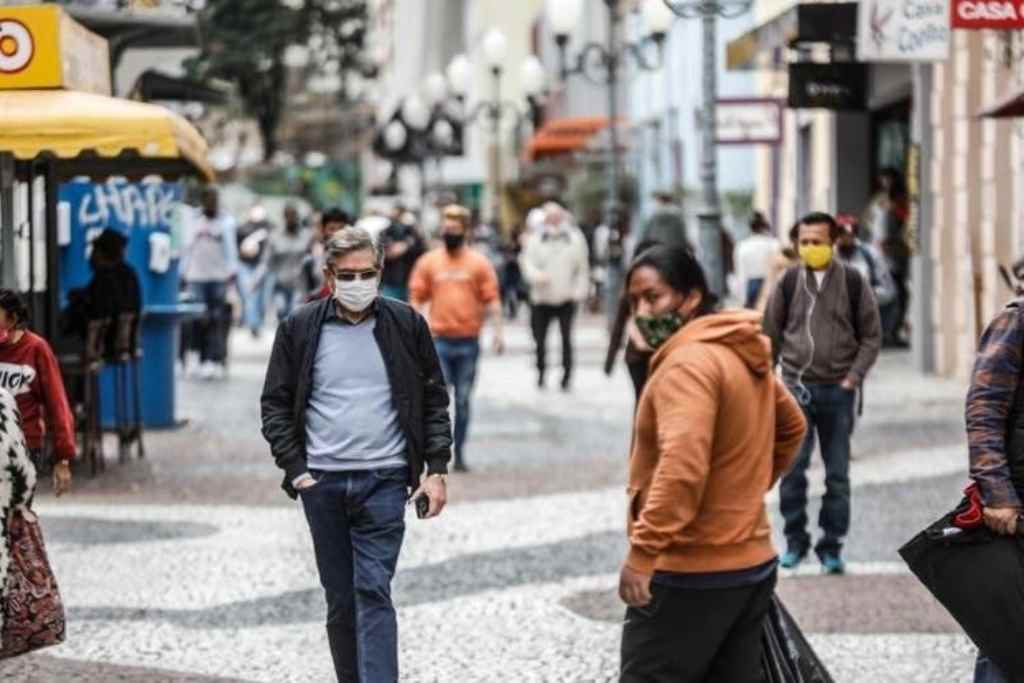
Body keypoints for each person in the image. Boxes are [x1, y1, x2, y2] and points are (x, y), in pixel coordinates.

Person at [260, 227, 452, 682]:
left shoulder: (406, 324)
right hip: (321, 483)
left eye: (368, 273)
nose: (358, 282)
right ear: (329, 275)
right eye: (347, 274)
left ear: (381, 272)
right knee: (341, 601)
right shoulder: (300, 328)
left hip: (385, 480)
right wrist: (296, 469)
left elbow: (433, 398)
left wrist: (437, 469)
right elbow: (275, 403)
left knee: (373, 589)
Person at [618, 245, 807, 682]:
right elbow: (791, 425)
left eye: (654, 297)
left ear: (690, 298)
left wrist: (643, 553)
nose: (643, 312)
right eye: (634, 302)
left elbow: (682, 466)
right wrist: (741, 492)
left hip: (690, 569)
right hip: (750, 563)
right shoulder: (736, 349)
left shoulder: (686, 365)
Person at [763, 212, 882, 574]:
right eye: (804, 241)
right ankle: (795, 542)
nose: (810, 248)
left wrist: (853, 378)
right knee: (792, 471)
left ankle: (832, 546)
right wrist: (772, 379)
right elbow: (771, 332)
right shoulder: (787, 282)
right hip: (796, 389)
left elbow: (871, 336)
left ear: (833, 243)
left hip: (839, 391)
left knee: (837, 475)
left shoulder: (852, 281)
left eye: (817, 241)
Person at [409, 204, 504, 473]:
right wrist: (419, 324)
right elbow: (416, 295)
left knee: (463, 399)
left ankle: (459, 452)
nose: (449, 232)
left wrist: (498, 333)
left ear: (465, 231)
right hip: (439, 341)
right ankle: (438, 453)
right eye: (446, 228)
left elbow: (492, 299)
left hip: (468, 342)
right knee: (438, 401)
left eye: (455, 228)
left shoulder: (478, 263)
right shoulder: (429, 262)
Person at [964, 297, 1024, 683]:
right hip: (1019, 505)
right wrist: (998, 494)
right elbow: (984, 408)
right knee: (1009, 631)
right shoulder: (1016, 322)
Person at [0, 290, 74, 495]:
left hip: (22, 448)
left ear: (13, 319)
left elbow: (57, 404)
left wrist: (62, 458)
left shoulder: (36, 349)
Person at [520, 202, 591, 391]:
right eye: (549, 217)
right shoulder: (536, 238)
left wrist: (579, 291)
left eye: (556, 216)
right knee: (540, 340)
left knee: (566, 339)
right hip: (541, 298)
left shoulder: (575, 238)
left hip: (566, 297)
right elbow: (527, 263)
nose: (553, 220)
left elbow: (582, 268)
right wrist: (536, 276)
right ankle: (541, 372)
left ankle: (567, 376)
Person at [180, 187, 238, 380]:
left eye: (215, 200)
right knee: (197, 319)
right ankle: (196, 356)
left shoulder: (226, 222)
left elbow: (231, 251)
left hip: (219, 278)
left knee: (216, 320)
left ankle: (212, 359)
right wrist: (182, 273)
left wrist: (233, 275)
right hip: (196, 277)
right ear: (203, 201)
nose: (213, 204)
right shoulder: (194, 221)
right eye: (209, 200)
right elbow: (186, 248)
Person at [64, 229, 142, 356]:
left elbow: (99, 311)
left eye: (94, 251)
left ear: (101, 253)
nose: (91, 256)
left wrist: (77, 299)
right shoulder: (129, 274)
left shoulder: (105, 277)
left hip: (106, 345)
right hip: (127, 344)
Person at [864, 167, 911, 347]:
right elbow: (868, 219)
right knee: (887, 293)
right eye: (883, 179)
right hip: (880, 253)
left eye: (888, 179)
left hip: (895, 253)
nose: (886, 183)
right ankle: (884, 331)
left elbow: (907, 222)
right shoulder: (879, 200)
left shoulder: (900, 200)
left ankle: (892, 330)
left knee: (899, 294)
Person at [834, 214, 897, 315]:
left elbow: (889, 291)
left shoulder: (870, 254)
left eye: (847, 232)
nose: (843, 237)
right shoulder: (828, 257)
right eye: (839, 232)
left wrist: (866, 294)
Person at [267, 204, 312, 321]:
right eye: (289, 216)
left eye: (294, 215)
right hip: (280, 284)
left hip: (299, 284)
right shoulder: (275, 236)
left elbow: (312, 258)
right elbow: (267, 261)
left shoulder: (306, 236)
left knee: (294, 314)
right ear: (284, 217)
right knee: (281, 313)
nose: (292, 219)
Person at [235, 205, 274, 338]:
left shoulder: (269, 229)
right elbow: (236, 247)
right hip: (245, 265)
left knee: (262, 297)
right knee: (250, 294)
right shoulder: (242, 229)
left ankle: (258, 321)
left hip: (262, 266)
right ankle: (254, 324)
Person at [304, 208, 353, 302]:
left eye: (341, 228)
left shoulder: (356, 257)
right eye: (332, 229)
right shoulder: (314, 256)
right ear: (323, 230)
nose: (337, 233)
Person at [735, 211, 780, 309]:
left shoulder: (743, 246)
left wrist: (742, 299)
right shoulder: (774, 244)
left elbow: (741, 274)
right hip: (770, 284)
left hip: (751, 286)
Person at [379, 210, 425, 302]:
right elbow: (383, 251)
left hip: (409, 282)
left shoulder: (414, 235)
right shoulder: (387, 232)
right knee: (390, 310)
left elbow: (421, 251)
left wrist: (406, 245)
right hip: (390, 282)